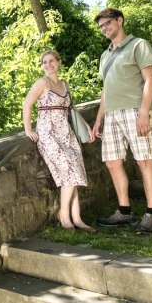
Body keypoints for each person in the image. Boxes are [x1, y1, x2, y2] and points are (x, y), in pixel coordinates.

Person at [92, 8, 152, 234]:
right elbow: (105, 90)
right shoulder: (105, 55)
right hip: (111, 114)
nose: (104, 29)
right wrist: (98, 119)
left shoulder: (138, 45)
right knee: (112, 162)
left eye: (107, 23)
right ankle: (124, 212)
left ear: (119, 21)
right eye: (101, 26)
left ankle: (151, 214)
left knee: (143, 161)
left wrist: (143, 112)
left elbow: (150, 80)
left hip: (134, 110)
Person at [23, 50, 96, 233]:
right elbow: (27, 104)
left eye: (51, 61)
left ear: (59, 62)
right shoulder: (42, 83)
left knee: (73, 173)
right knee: (70, 170)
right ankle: (64, 215)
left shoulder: (64, 84)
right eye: (44, 62)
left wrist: (86, 126)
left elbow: (71, 108)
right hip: (48, 134)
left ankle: (77, 219)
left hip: (67, 134)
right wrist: (28, 129)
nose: (48, 65)